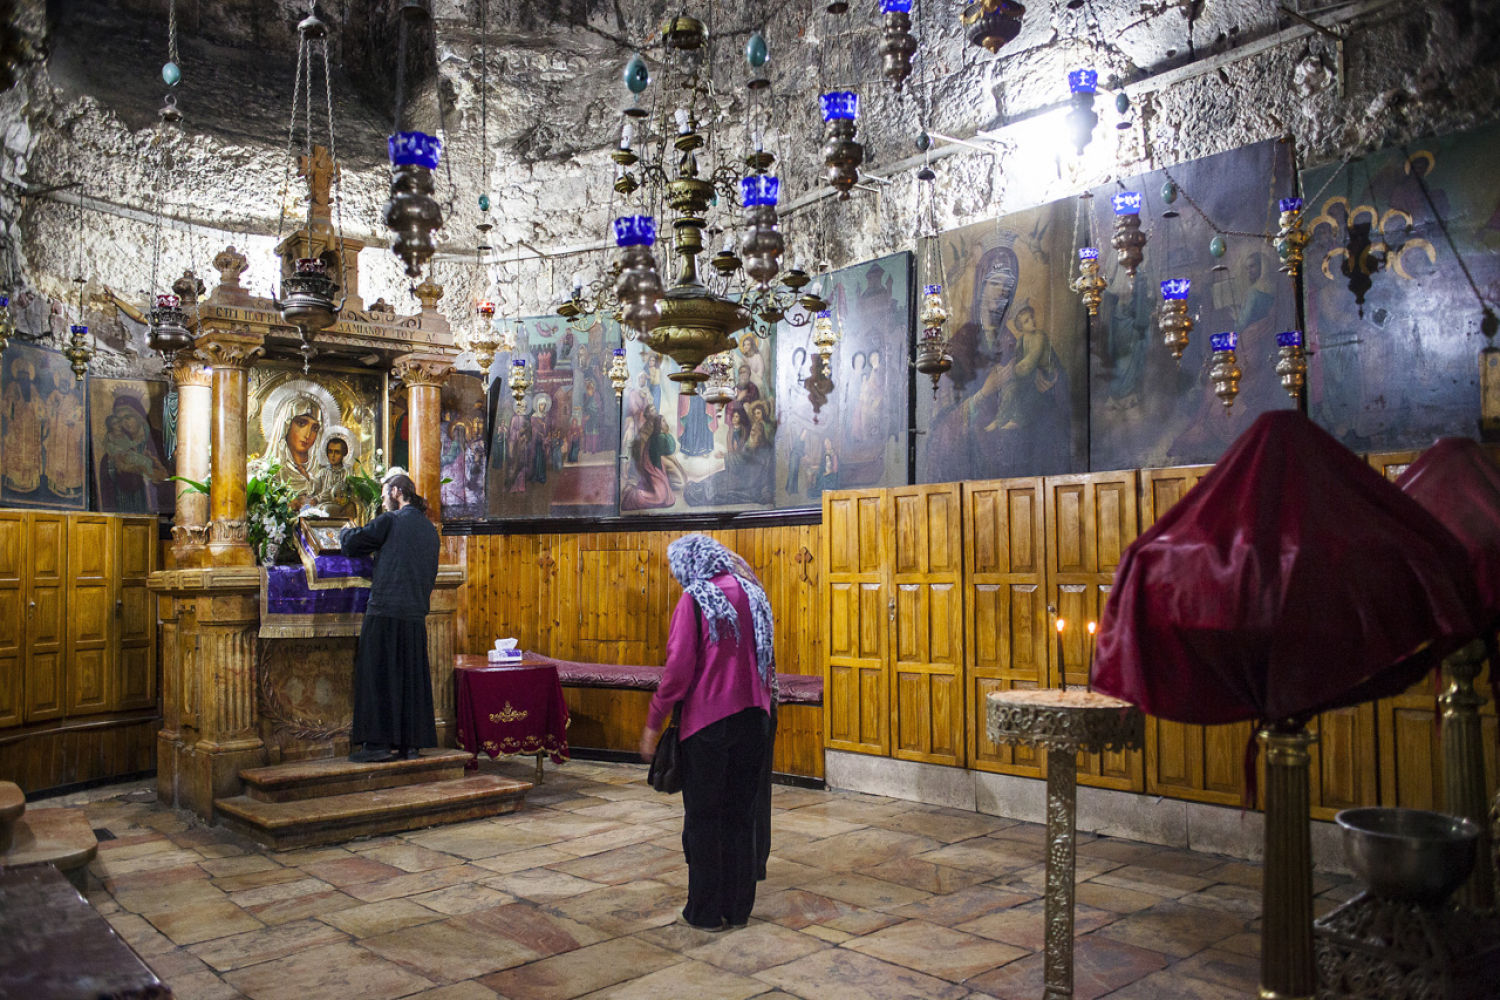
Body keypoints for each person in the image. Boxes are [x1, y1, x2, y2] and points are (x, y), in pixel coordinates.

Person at [641, 534, 776, 932]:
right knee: (741, 817)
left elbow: (678, 671)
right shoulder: (754, 593)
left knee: (704, 819)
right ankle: (738, 910)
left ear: (689, 564)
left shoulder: (695, 600)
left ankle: (704, 912)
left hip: (708, 725)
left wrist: (654, 721)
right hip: (756, 720)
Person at [338, 471, 440, 764]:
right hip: (415, 614)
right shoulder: (429, 530)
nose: (383, 502)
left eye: (384, 495)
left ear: (397, 492)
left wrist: (344, 530)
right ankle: (411, 745)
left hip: (385, 610)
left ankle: (378, 745)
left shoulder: (391, 521)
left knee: (378, 677)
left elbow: (353, 544)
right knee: (410, 680)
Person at [266, 392, 325, 510]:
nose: (308, 435)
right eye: (301, 423)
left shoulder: (323, 473)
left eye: (314, 428)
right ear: (286, 426)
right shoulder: (267, 472)